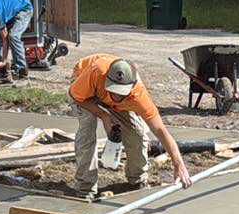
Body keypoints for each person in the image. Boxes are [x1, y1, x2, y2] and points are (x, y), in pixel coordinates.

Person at [67, 54, 194, 198]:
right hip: (83, 86)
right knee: (87, 131)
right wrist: (104, 115)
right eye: (112, 91)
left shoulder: (139, 97)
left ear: (131, 88)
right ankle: (85, 188)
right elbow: (75, 96)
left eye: (119, 93)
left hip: (110, 94)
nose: (115, 96)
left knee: (137, 132)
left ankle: (137, 180)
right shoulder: (96, 73)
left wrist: (178, 164)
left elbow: (160, 130)